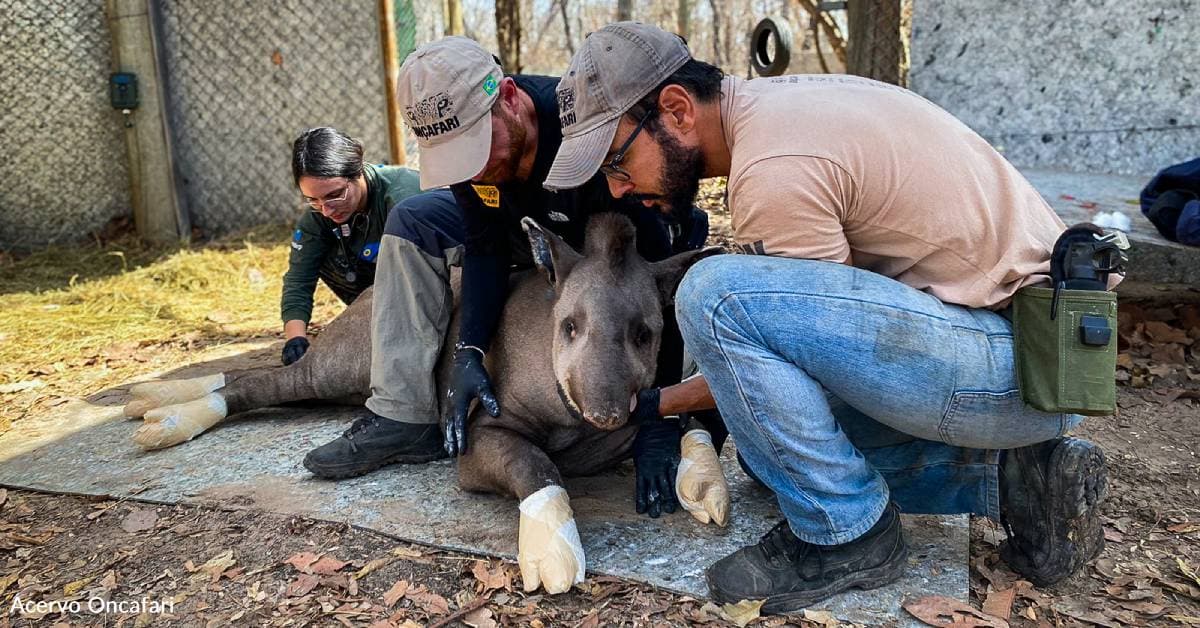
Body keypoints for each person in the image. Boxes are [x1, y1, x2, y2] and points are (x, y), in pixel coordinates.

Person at [544, 22, 1109, 611]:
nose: (618, 187)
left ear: (677, 108)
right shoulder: (780, 111)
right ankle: (1016, 480)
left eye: (617, 160)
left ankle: (848, 535)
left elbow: (791, 359)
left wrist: (652, 404)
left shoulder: (773, 169)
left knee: (716, 294)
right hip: (1030, 354)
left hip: (1022, 366)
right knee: (775, 462)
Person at [303, 36, 712, 519]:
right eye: (456, 155)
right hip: (530, 233)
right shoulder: (474, 169)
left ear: (511, 98)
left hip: (605, 246)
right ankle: (402, 412)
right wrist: (470, 351)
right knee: (413, 221)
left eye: (478, 145)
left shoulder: (582, 126)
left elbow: (648, 292)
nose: (474, 167)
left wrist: (659, 424)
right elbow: (484, 246)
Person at [281, 127, 422, 365]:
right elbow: (298, 281)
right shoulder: (319, 217)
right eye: (313, 200)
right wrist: (295, 339)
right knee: (312, 248)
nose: (326, 210)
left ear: (357, 172)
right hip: (375, 297)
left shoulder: (402, 199)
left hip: (418, 288)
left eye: (335, 195)